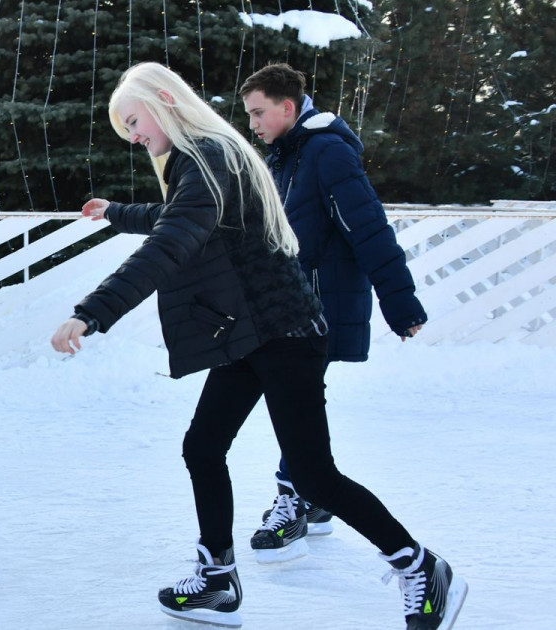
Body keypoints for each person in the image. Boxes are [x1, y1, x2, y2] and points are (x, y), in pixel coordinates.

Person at [51, 63, 464, 630]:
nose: (135, 136)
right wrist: (117, 213)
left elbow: (175, 238)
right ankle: (218, 581)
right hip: (250, 333)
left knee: (315, 476)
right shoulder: (204, 159)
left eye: (134, 122)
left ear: (164, 100)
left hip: (285, 333)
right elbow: (180, 217)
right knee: (203, 447)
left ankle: (419, 565)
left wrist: (92, 311)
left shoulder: (211, 154)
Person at [239, 63, 429, 558]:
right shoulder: (286, 155)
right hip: (291, 304)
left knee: (294, 396)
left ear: (287, 107)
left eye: (259, 112)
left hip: (317, 307)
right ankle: (313, 495)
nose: (252, 124)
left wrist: (400, 300)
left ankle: (297, 496)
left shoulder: (325, 152)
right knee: (297, 399)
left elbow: (368, 228)